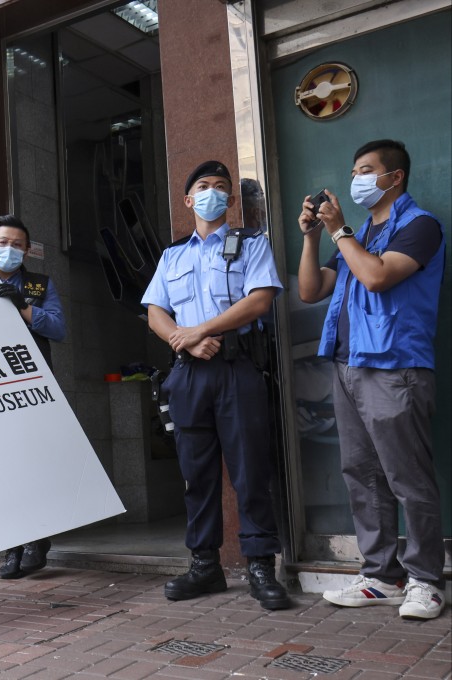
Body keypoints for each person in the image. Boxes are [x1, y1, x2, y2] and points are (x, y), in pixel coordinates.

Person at [296, 140, 446, 620]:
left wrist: (338, 230)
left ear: (394, 177)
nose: (357, 179)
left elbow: (377, 277)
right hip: (346, 367)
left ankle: (425, 580)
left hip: (395, 367)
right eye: (354, 171)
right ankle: (382, 576)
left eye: (366, 170)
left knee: (408, 477)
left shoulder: (420, 227)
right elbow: (310, 290)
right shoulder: (357, 235)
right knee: (361, 475)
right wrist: (312, 237)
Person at [141, 161, 291, 610]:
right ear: (189, 200)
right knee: (196, 474)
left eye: (221, 187)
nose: (213, 193)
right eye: (203, 186)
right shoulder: (172, 255)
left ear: (230, 199)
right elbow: (155, 311)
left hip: (236, 367)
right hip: (188, 374)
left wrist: (200, 330)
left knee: (251, 470)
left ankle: (260, 565)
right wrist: (182, 339)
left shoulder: (251, 243)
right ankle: (205, 565)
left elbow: (259, 300)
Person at [0, 214, 67, 579]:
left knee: (34, 462)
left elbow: (59, 328)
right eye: (3, 243)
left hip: (32, 385)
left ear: (27, 250)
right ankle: (12, 546)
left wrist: (23, 306)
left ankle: (37, 538)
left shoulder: (39, 285)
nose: (9, 250)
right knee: (3, 467)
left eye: (17, 245)